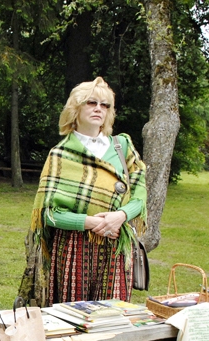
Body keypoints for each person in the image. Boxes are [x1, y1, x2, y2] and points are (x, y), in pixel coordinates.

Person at [18, 77, 147, 306]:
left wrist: (120, 216)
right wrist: (91, 223)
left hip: (116, 244)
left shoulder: (122, 147)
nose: (99, 108)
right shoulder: (60, 154)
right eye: (91, 102)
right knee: (73, 318)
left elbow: (140, 195)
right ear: (76, 108)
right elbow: (48, 214)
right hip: (73, 248)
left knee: (112, 316)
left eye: (105, 105)